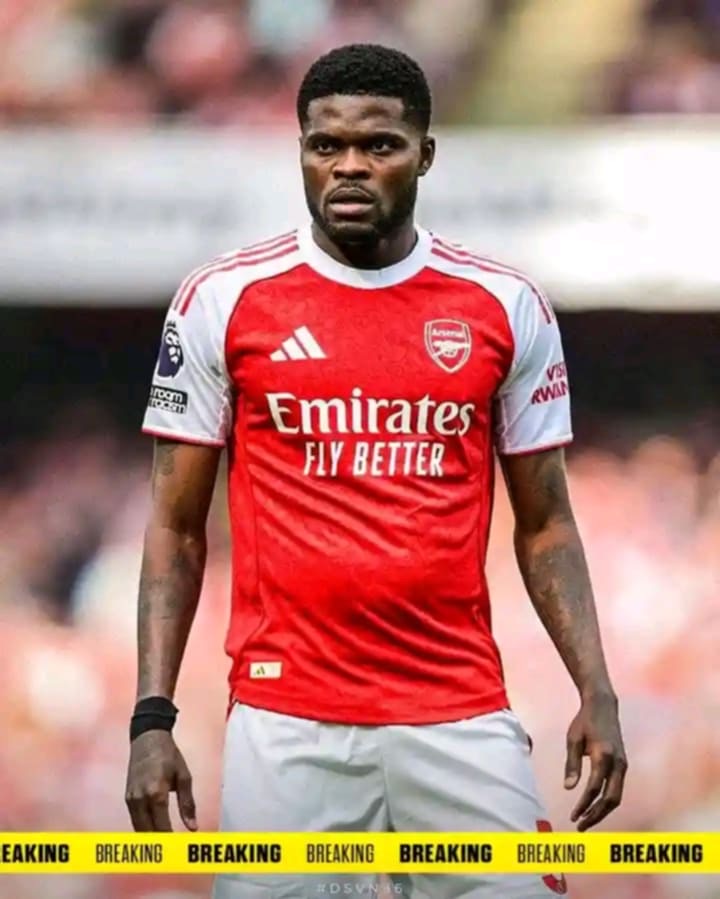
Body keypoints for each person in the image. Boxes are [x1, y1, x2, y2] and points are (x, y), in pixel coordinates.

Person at [125, 43, 627, 899]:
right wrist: (151, 718)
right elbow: (175, 527)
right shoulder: (223, 300)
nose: (350, 165)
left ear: (425, 154)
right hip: (286, 726)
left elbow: (546, 522)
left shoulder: (504, 305)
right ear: (301, 152)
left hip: (459, 714)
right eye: (326, 145)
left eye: (380, 145)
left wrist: (598, 688)